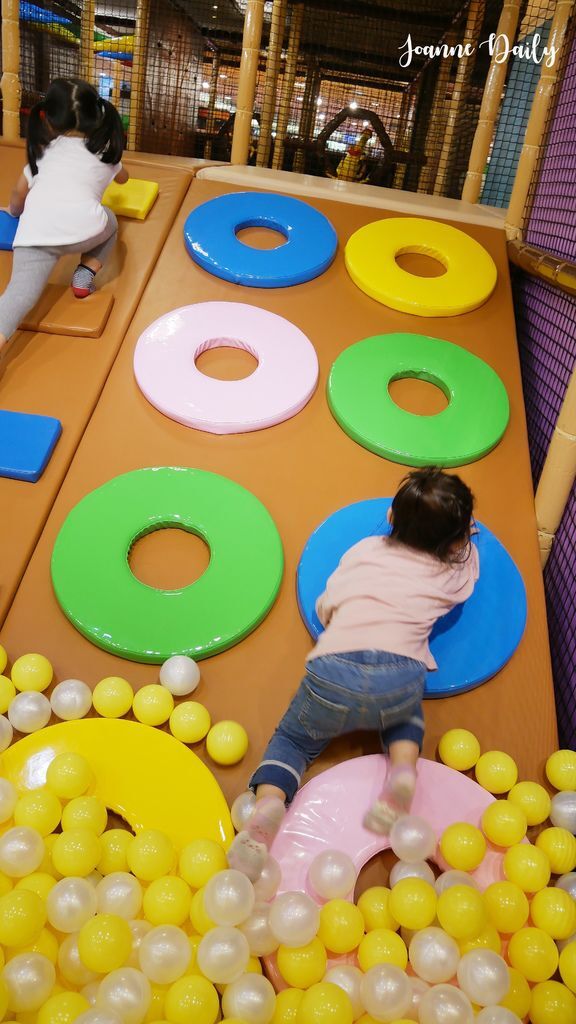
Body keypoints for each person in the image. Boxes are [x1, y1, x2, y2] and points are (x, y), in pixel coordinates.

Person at [228, 467, 479, 880]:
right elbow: (471, 574)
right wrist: (465, 543)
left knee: (293, 740)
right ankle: (401, 770)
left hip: (333, 671)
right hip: (399, 677)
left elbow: (328, 604)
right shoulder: (452, 575)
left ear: (393, 519)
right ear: (456, 541)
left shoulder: (364, 551)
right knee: (405, 723)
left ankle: (271, 802)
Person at [0, 77, 129, 361]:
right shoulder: (105, 152)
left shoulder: (43, 153)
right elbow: (123, 178)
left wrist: (13, 213)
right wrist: (116, 172)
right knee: (110, 221)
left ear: (49, 120)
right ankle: (85, 273)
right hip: (85, 230)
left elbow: (18, 195)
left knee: (18, 295)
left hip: (35, 237)